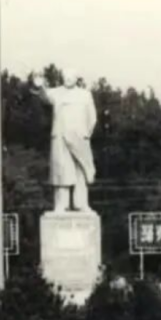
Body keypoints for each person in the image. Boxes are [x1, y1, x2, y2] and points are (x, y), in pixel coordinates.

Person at [32, 71, 98, 213]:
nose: (68, 78)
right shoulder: (56, 93)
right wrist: (40, 84)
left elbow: (92, 117)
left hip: (80, 138)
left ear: (76, 78)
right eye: (66, 76)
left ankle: (81, 204)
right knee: (62, 171)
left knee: (81, 172)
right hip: (61, 137)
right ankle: (61, 204)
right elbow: (44, 96)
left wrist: (87, 133)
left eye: (71, 76)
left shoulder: (85, 95)